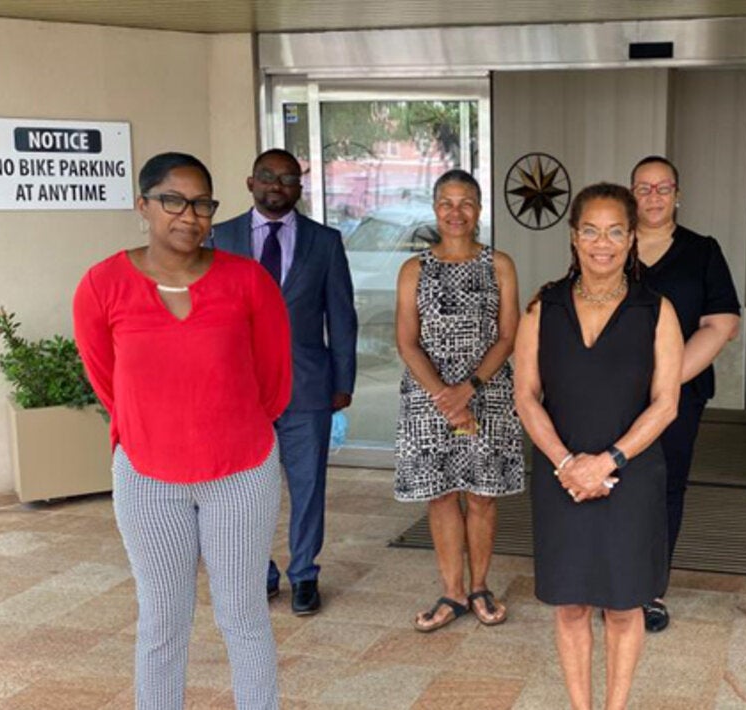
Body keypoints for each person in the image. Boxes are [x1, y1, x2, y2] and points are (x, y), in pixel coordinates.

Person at [74, 152, 290, 709]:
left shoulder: (248, 281)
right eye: (173, 201)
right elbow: (107, 380)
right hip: (148, 478)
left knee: (243, 615)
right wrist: (156, 427)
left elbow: (273, 381)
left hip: (240, 475)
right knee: (161, 622)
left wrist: (226, 427)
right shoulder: (102, 285)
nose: (189, 216)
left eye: (201, 204)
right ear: (142, 205)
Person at [515, 183, 684, 710]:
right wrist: (568, 464)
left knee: (624, 606)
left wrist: (608, 461)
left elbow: (666, 404)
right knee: (569, 604)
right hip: (559, 476)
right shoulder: (542, 308)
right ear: (573, 236)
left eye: (614, 232)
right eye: (590, 230)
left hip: (631, 478)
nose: (601, 243)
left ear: (632, 238)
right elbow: (525, 397)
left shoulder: (657, 310)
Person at [212, 148, 358, 616]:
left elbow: (341, 316)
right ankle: (261, 572)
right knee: (244, 491)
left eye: (288, 178)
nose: (277, 185)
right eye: (268, 176)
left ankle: (304, 574)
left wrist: (343, 380)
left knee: (307, 485)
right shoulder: (219, 237)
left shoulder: (325, 241)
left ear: (300, 187)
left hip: (306, 386)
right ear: (250, 182)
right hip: (237, 390)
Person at [393, 169, 524, 631]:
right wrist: (444, 397)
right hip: (428, 397)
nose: (456, 212)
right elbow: (407, 341)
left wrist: (468, 389)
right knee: (443, 494)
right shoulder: (413, 270)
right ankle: (452, 592)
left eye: (466, 202)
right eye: (446, 203)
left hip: (487, 393)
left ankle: (480, 586)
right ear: (435, 209)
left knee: (482, 495)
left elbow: (508, 336)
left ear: (479, 209)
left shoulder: (499, 265)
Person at [629, 156, 741, 633]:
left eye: (663, 187)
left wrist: (664, 380)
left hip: (680, 393)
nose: (653, 196)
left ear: (678, 193)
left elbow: (722, 324)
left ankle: (650, 590)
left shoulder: (702, 251)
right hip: (611, 392)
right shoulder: (610, 245)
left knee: (664, 486)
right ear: (631, 195)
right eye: (643, 188)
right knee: (613, 485)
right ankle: (611, 581)